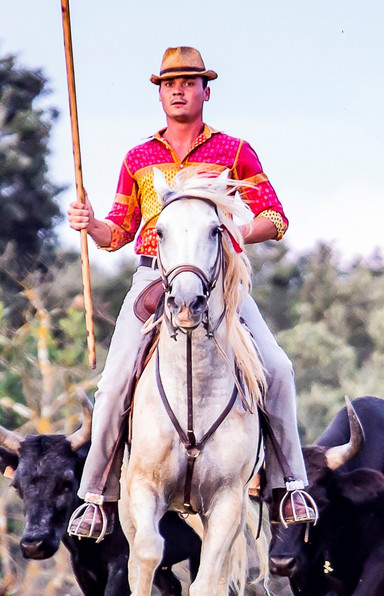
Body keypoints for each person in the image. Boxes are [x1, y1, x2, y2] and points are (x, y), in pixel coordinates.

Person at [66, 46, 317, 538]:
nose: (177, 89)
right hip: (153, 278)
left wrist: (240, 233)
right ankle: (95, 496)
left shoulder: (235, 151)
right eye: (168, 83)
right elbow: (118, 233)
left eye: (188, 81)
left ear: (206, 90)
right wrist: (89, 223)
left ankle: (291, 485)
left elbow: (276, 218)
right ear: (160, 93)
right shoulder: (138, 158)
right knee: (114, 382)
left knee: (279, 368)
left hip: (220, 277)